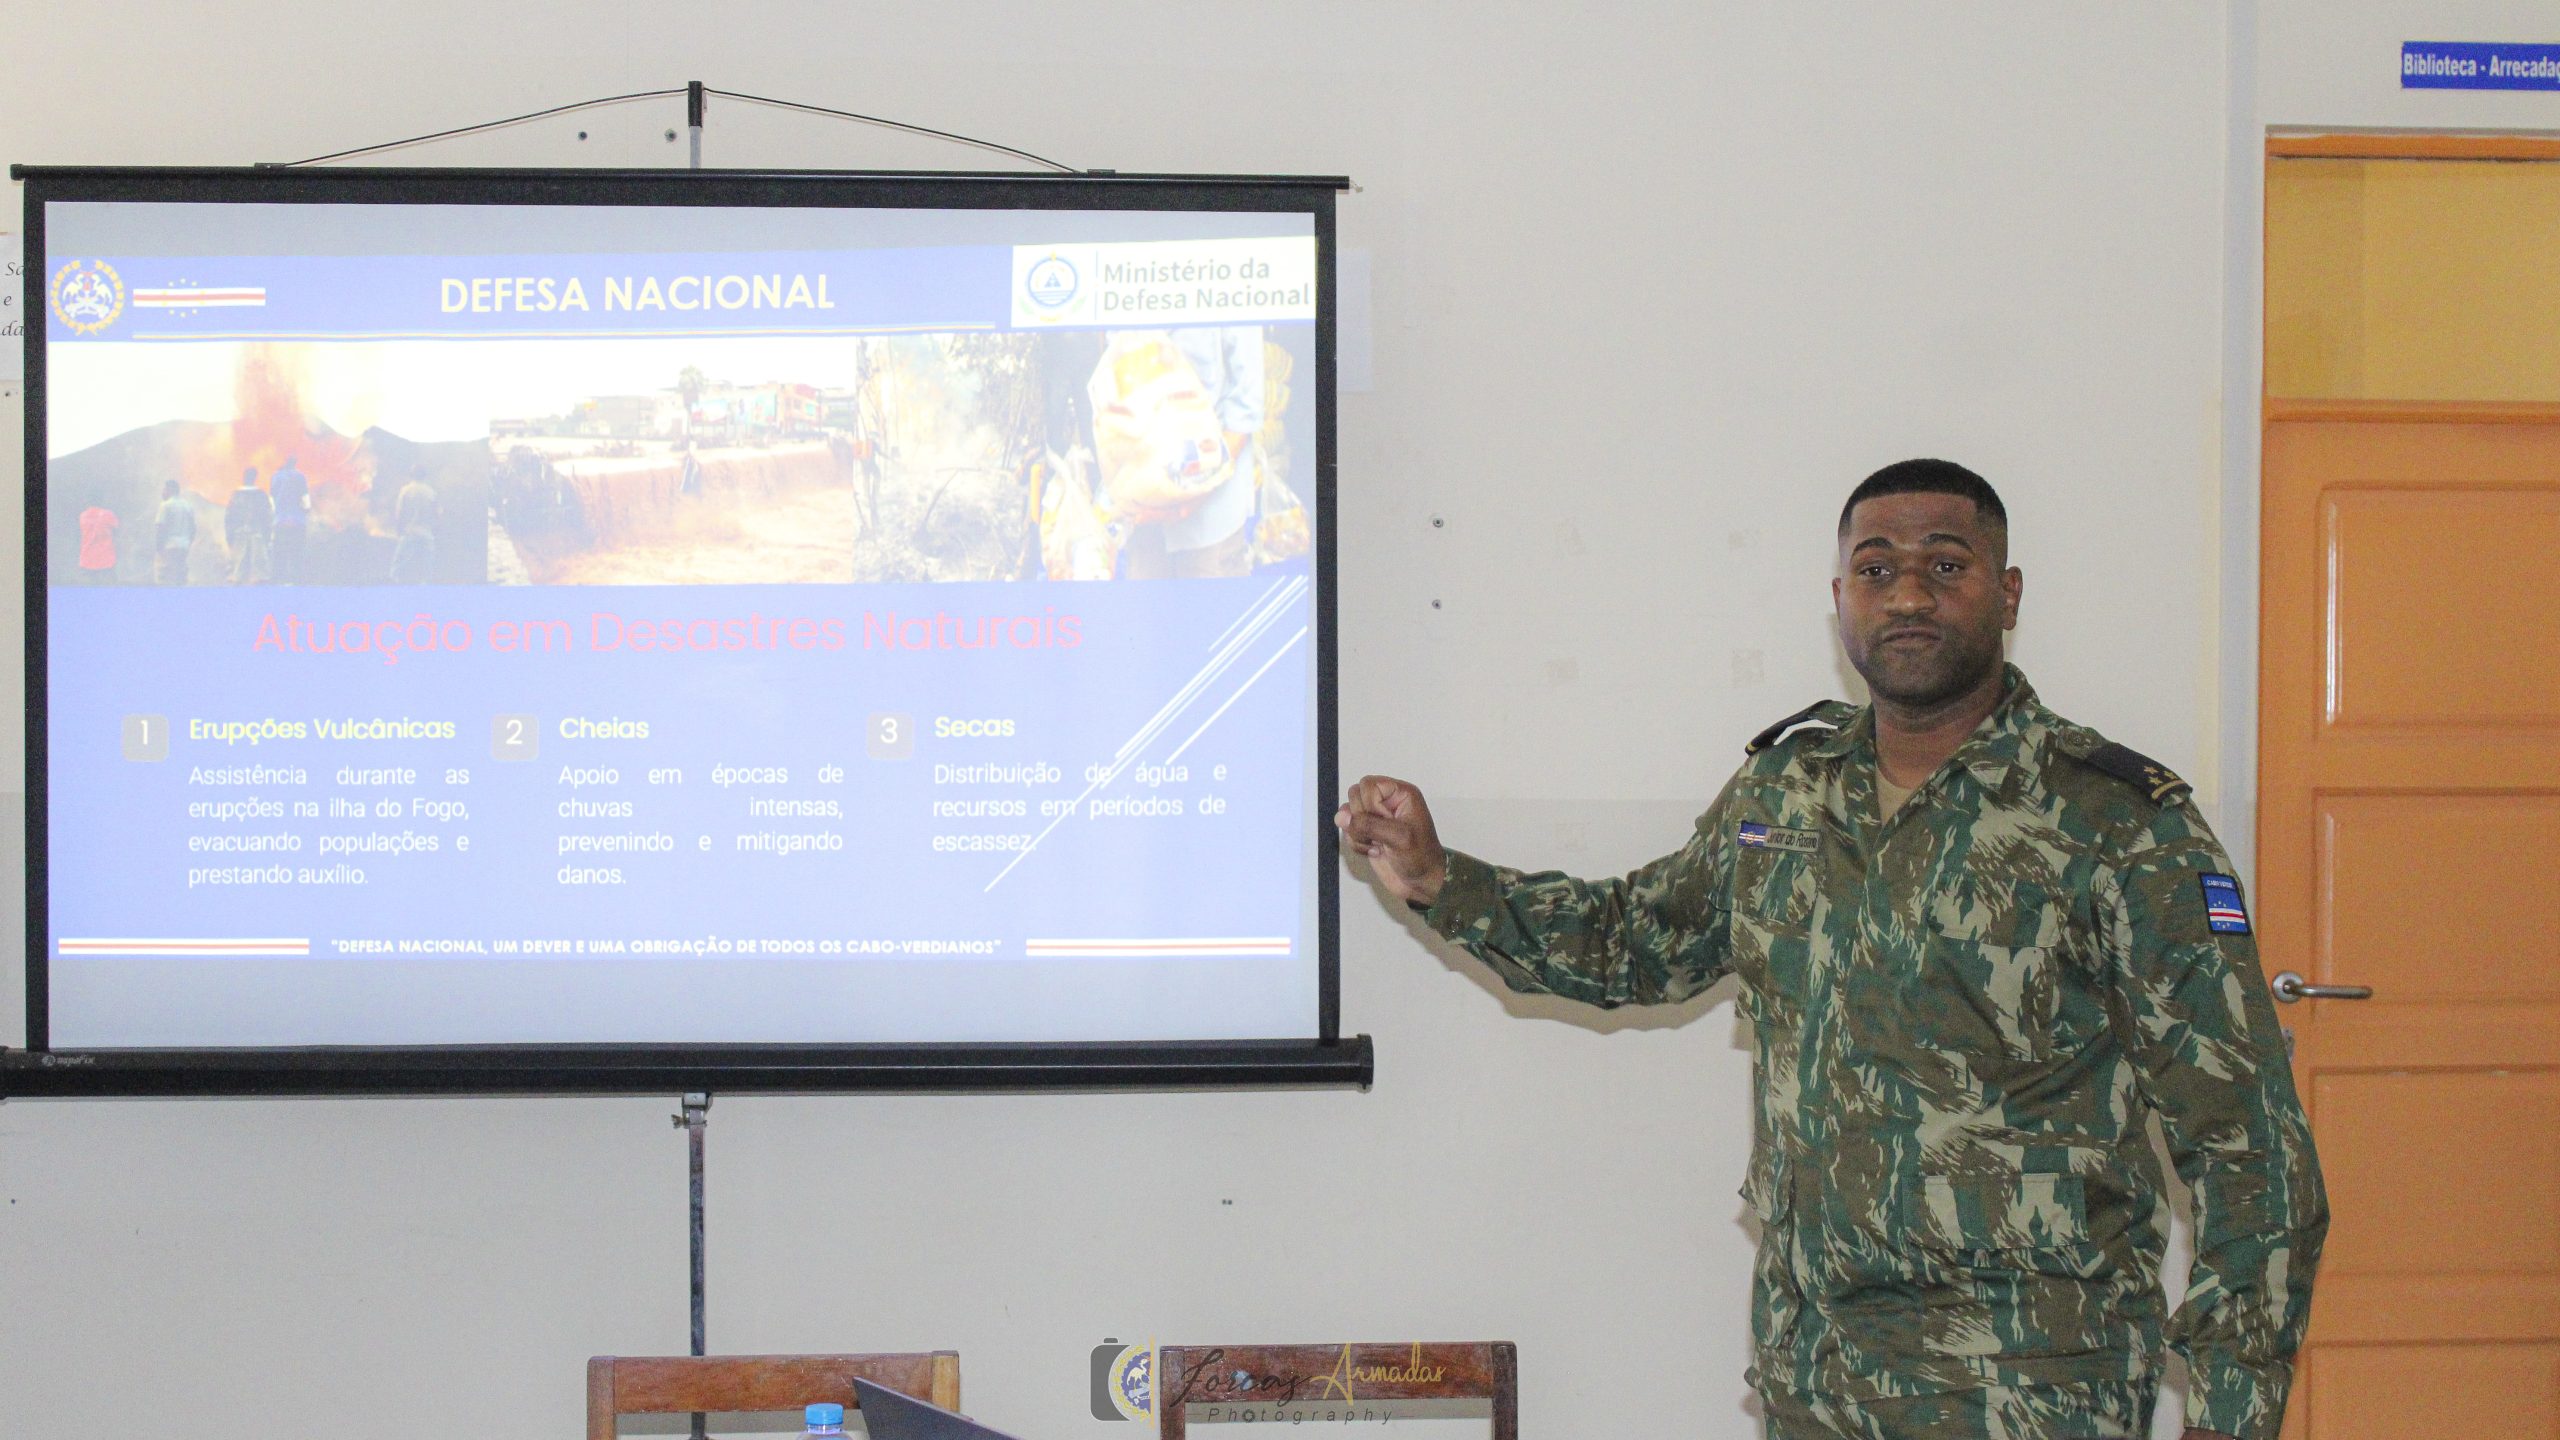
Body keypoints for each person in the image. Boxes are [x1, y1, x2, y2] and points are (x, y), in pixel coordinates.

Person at [1336, 460, 2326, 1440]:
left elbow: (2250, 1147)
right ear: (1838, 598)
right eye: (1875, 568)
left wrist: (2228, 1416)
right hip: (1815, 1378)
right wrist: (1437, 878)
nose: (1906, 595)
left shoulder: (2116, 822)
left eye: (1945, 567)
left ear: (2007, 592)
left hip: (2026, 1390)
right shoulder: (1786, 791)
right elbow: (1632, 942)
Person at [223, 467, 272, 584]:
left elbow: (229, 517)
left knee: (238, 572)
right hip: (257, 534)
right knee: (260, 573)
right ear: (255, 478)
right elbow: (267, 517)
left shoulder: (236, 496)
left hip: (239, 534)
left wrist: (230, 536)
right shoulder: (261, 496)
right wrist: (267, 535)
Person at [268, 455, 311, 583]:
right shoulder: (300, 476)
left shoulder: (276, 476)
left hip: (280, 521)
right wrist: (306, 510)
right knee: (297, 552)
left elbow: (272, 500)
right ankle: (296, 580)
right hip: (298, 521)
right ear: (295, 463)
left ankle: (278, 580)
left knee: (279, 552)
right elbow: (306, 501)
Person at [152, 479, 196, 585]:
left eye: (164, 490)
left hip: (169, 546)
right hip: (184, 546)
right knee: (179, 574)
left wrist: (159, 547)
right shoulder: (188, 506)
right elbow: (193, 529)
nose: (162, 492)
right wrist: (188, 543)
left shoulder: (165, 505)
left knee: (165, 577)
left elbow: (160, 528)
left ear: (169, 490)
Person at [75, 494, 120, 583]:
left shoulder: (82, 516)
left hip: (86, 561)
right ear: (102, 500)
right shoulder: (108, 515)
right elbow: (117, 530)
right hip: (106, 561)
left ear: (87, 501)